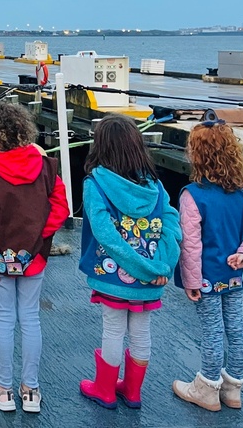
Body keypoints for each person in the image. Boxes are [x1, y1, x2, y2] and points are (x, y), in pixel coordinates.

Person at [78, 114, 182, 410]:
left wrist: (139, 267)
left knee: (112, 331)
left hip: (113, 277)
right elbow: (171, 223)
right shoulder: (154, 185)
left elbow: (105, 235)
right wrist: (162, 266)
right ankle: (133, 391)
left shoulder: (95, 182)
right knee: (141, 331)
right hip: (151, 279)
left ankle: (105, 390)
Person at [0, 103, 70, 414]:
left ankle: (3, 389)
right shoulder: (48, 167)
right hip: (36, 256)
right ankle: (31, 390)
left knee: (3, 320)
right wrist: (40, 238)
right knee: (30, 319)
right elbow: (60, 207)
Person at [172, 119, 243, 412]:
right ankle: (233, 387)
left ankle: (207, 389)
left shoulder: (192, 196)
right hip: (236, 275)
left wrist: (191, 282)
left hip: (207, 278)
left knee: (212, 331)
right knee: (236, 329)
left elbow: (191, 245)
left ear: (196, 155)